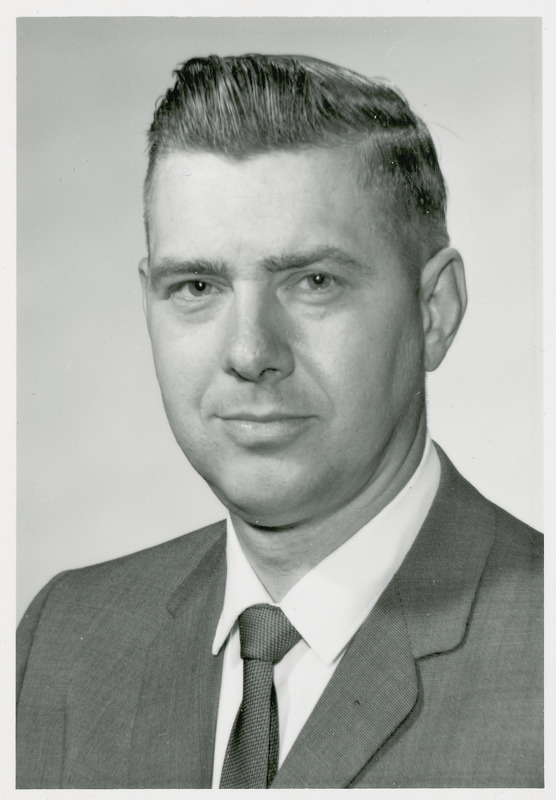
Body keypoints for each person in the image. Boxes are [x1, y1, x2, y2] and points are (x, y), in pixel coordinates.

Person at [16, 54, 543, 789]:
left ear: (434, 311)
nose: (250, 352)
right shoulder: (65, 641)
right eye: (196, 286)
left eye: (315, 282)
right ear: (149, 304)